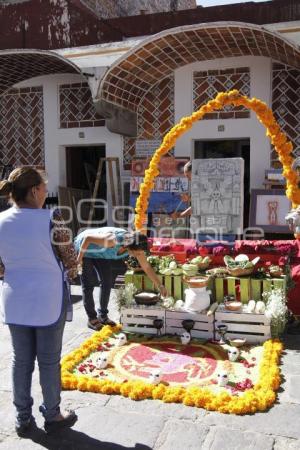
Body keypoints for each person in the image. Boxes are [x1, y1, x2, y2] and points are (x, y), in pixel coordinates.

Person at [0, 167, 78, 436]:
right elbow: (70, 259)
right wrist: (73, 266)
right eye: (44, 188)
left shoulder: (0, 221)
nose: (46, 193)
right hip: (48, 297)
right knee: (48, 360)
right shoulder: (53, 218)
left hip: (14, 300)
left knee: (20, 361)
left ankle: (22, 418)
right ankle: (53, 414)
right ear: (34, 190)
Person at [75, 227, 168, 331]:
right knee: (88, 284)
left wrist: (160, 286)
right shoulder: (112, 240)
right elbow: (88, 238)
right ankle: (92, 319)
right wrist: (79, 259)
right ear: (130, 246)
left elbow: (146, 267)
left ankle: (103, 316)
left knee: (107, 282)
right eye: (137, 253)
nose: (138, 255)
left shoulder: (135, 245)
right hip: (85, 247)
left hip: (101, 253)